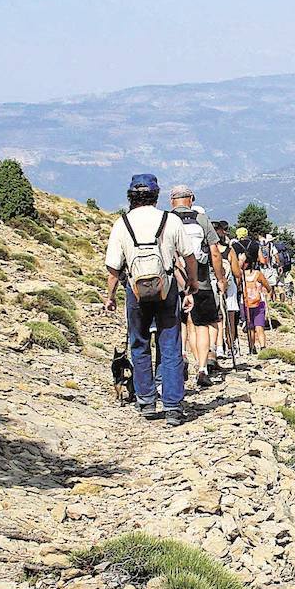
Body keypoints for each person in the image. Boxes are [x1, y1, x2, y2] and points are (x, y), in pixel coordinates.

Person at [105, 174, 197, 427]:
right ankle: (173, 405)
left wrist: (110, 296)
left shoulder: (121, 224)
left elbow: (113, 268)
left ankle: (146, 401)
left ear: (130, 196)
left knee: (140, 343)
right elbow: (189, 255)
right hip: (166, 290)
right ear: (156, 196)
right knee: (170, 345)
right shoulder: (169, 220)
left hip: (135, 292)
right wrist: (192, 283)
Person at [169, 187, 226, 388]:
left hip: (174, 283)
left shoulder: (166, 220)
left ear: (171, 201)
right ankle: (202, 368)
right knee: (201, 325)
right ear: (191, 199)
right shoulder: (202, 219)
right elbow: (215, 253)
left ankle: (183, 355)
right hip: (201, 282)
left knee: (182, 324)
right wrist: (220, 279)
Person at [214, 220, 241, 358]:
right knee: (230, 317)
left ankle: (218, 347)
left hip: (213, 285)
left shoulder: (210, 250)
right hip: (229, 287)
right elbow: (237, 272)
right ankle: (230, 346)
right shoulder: (229, 251)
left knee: (217, 318)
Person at [242, 259, 272, 351]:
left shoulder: (240, 274)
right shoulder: (258, 274)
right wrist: (269, 294)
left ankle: (252, 347)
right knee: (259, 326)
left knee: (250, 326)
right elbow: (268, 287)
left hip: (245, 302)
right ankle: (263, 347)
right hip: (259, 302)